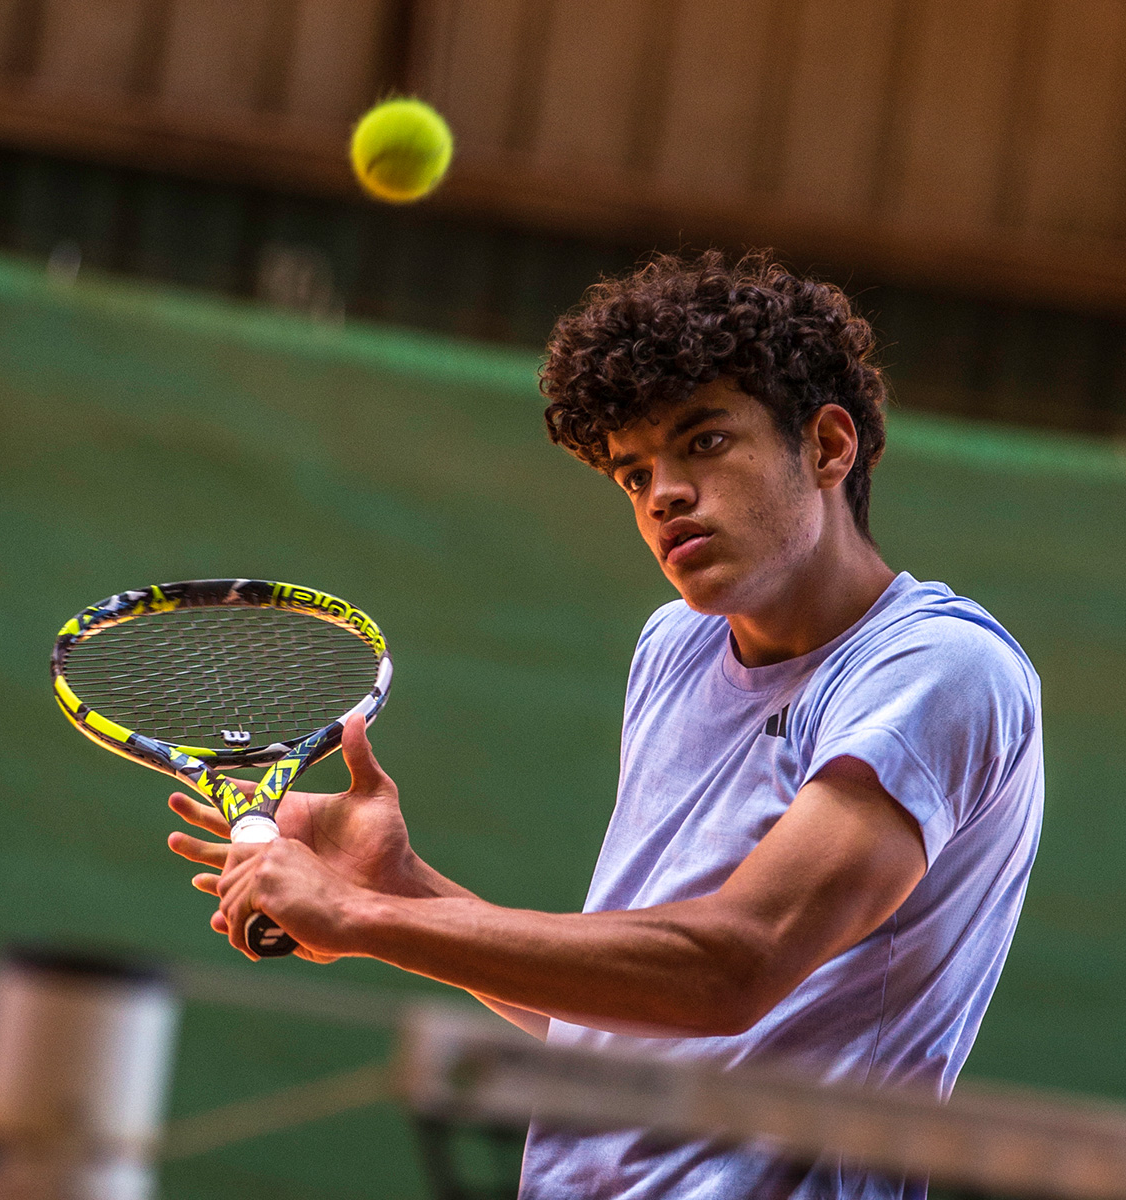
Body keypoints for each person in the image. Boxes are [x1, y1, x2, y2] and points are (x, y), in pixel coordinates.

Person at [167, 250, 1044, 1199]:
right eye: (634, 474)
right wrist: (404, 889)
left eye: (703, 443)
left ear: (829, 448)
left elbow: (729, 969)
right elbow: (625, 1022)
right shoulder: (677, 648)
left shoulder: (941, 672)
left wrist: (360, 917)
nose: (664, 494)